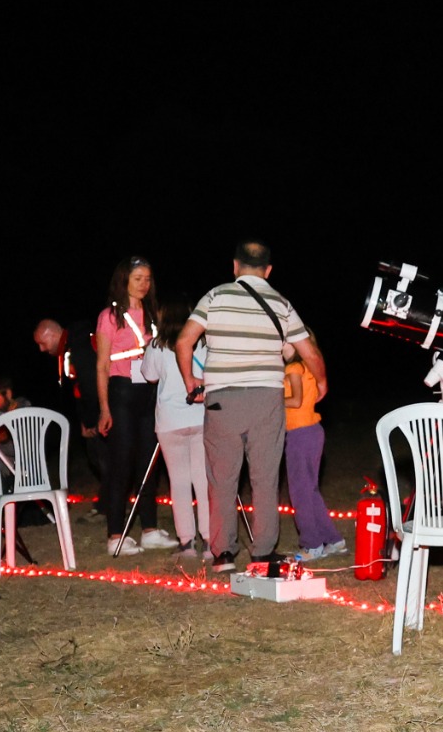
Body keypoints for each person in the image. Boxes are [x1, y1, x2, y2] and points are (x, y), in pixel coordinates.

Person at [170, 241, 323, 573]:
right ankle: (263, 553)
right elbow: (308, 352)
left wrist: (190, 381)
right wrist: (322, 382)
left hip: (222, 398)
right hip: (267, 399)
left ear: (235, 266)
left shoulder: (214, 296)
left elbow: (184, 341)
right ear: (268, 271)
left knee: (222, 479)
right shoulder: (280, 302)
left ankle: (223, 554)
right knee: (265, 478)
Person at [93, 257, 172, 554]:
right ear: (124, 279)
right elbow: (101, 365)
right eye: (138, 278)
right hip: (121, 392)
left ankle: (150, 529)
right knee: (121, 463)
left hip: (150, 393)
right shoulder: (109, 317)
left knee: (149, 462)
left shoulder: (155, 313)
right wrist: (104, 408)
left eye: (148, 278)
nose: (144, 284)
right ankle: (116, 535)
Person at [142, 308, 212, 560]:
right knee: (203, 482)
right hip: (201, 417)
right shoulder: (202, 342)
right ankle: (209, 541)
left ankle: (186, 544)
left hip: (170, 421)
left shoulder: (157, 346)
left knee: (179, 482)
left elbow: (148, 375)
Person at [282, 343, 347, 563]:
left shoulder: (292, 370)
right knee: (309, 490)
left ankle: (312, 544)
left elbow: (296, 400)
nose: (280, 345)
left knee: (300, 492)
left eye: (285, 340)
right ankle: (334, 540)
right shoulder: (307, 368)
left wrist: (270, 399)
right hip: (312, 431)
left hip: (300, 434)